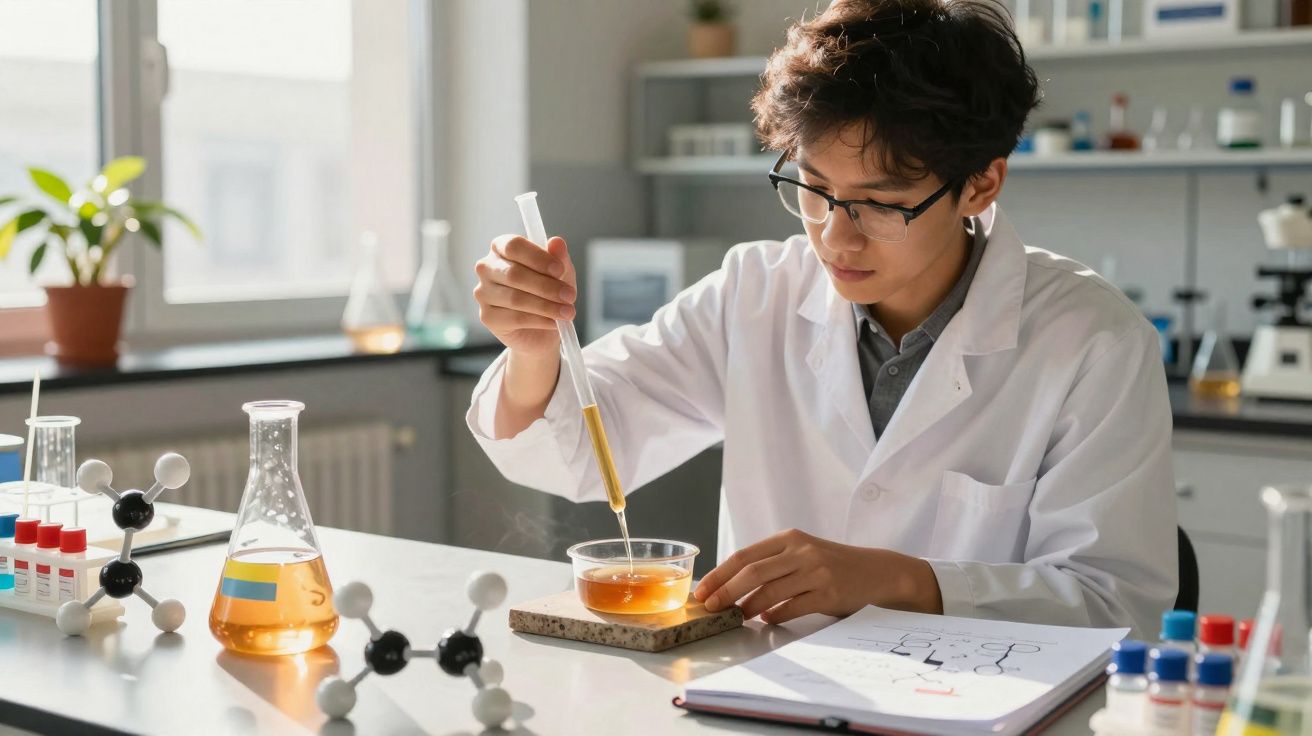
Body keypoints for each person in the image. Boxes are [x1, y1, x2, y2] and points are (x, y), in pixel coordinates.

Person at [466, 0, 1176, 638]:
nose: (836, 235)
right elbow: (586, 450)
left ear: (981, 183)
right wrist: (534, 350)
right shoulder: (754, 293)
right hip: (764, 693)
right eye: (813, 186)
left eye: (882, 201)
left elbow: (1117, 607)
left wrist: (901, 581)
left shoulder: (1091, 340)